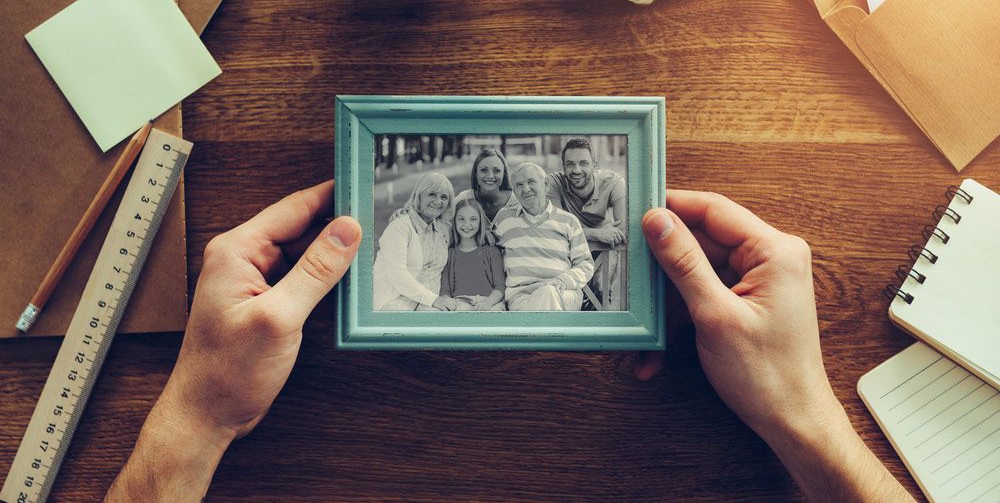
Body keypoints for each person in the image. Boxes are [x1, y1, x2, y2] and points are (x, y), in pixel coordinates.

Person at [105, 183, 913, 502]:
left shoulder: (550, 226)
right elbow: (456, 286)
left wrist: (197, 417)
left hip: (538, 296)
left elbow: (523, 277)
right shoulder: (455, 237)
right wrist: (806, 419)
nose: (519, 194)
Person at [493, 162, 594, 311]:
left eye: (531, 181)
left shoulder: (568, 221)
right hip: (522, 298)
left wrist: (562, 281)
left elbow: (585, 264)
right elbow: (485, 245)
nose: (526, 189)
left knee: (548, 293)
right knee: (545, 297)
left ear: (545, 184)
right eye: (519, 185)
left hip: (564, 293)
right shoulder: (504, 220)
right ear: (514, 191)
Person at [546, 138, 627, 310]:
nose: (576, 170)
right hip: (569, 252)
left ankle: (600, 325)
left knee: (600, 287)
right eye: (570, 164)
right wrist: (597, 233)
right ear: (563, 166)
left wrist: (577, 234)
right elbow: (554, 229)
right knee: (569, 294)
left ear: (594, 164)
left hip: (603, 250)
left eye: (583, 163)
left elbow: (623, 231)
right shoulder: (554, 183)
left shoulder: (613, 183)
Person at [372, 172, 456, 311]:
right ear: (419, 195)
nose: (438, 201)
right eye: (432, 194)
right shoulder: (400, 227)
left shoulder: (444, 230)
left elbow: (470, 222)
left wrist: (487, 235)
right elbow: (397, 275)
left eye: (444, 197)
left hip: (429, 303)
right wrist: (433, 299)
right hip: (396, 299)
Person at [440, 197, 506, 311]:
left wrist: (487, 304)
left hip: (490, 302)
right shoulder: (449, 254)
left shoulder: (491, 251)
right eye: (461, 219)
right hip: (460, 302)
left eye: (473, 219)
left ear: (480, 221)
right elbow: (445, 291)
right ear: (454, 221)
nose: (467, 224)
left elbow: (500, 287)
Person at [454, 148, 519, 226]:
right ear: (476, 173)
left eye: (497, 170)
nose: (490, 176)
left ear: (504, 174)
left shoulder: (517, 202)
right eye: (484, 170)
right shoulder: (463, 199)